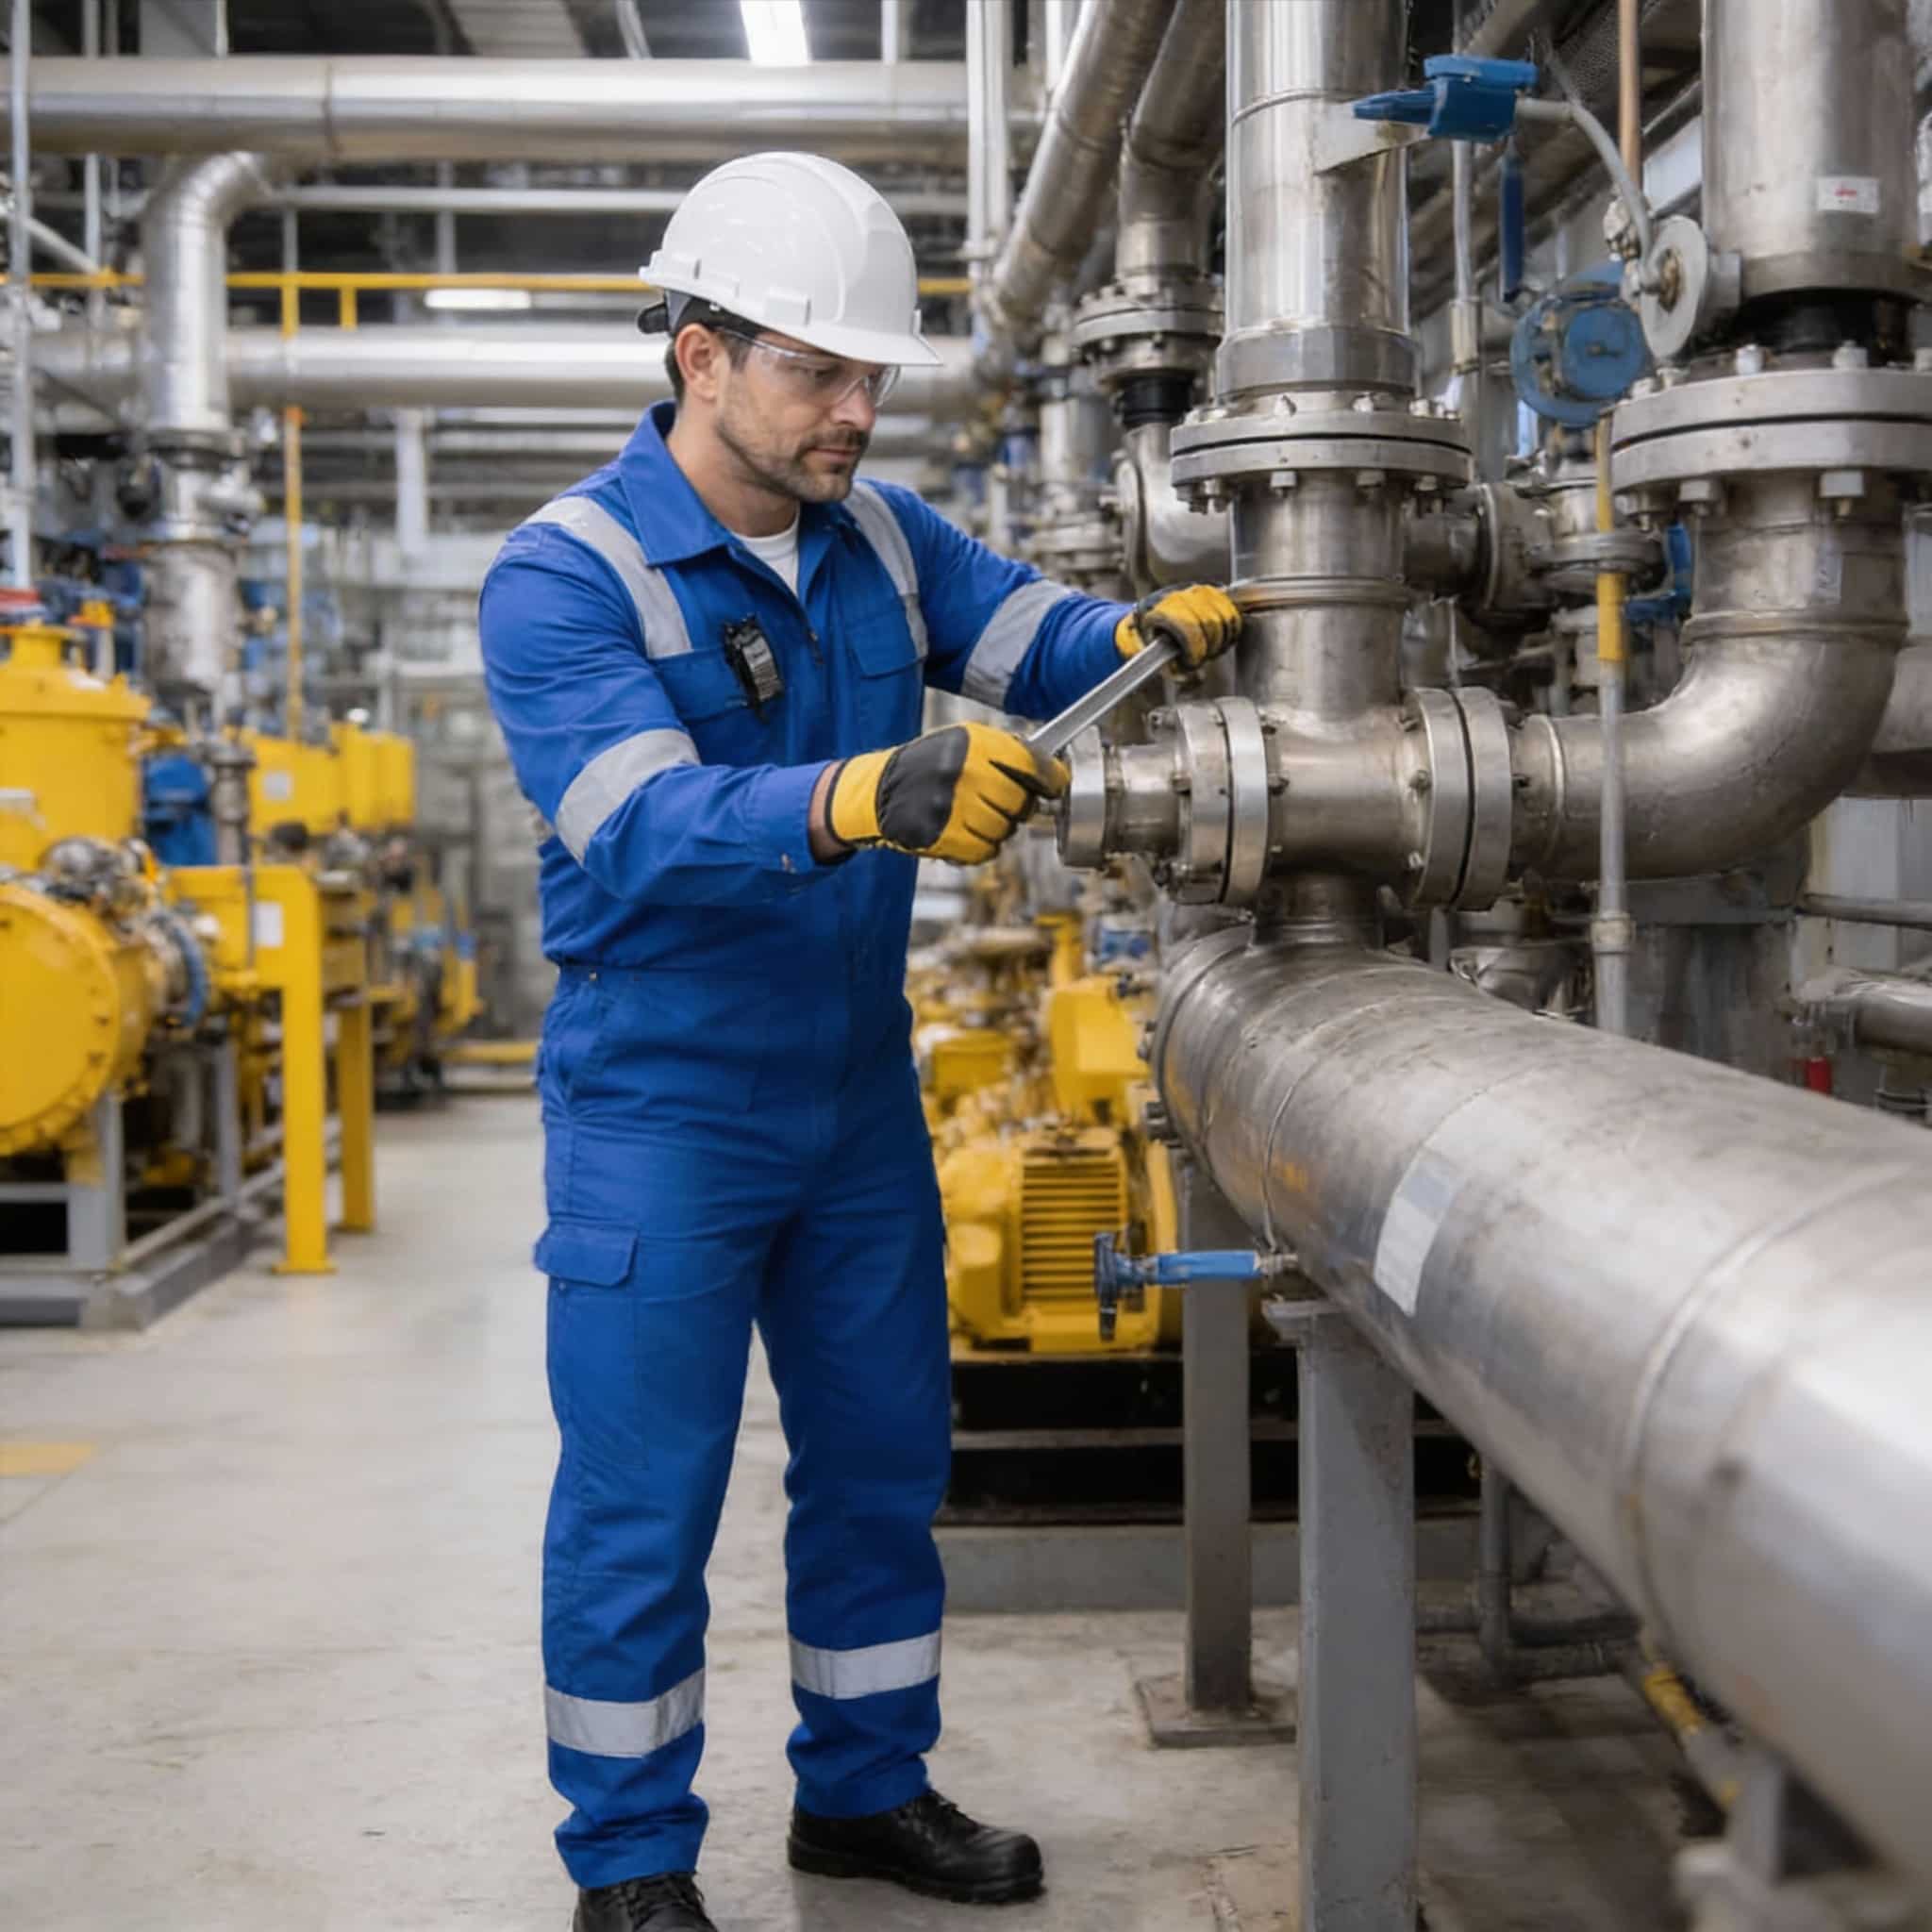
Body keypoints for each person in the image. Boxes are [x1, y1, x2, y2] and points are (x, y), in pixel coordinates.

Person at [479, 151, 1240, 1932]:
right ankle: (633, 1863)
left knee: (886, 1460)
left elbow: (1025, 632)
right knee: (643, 1496)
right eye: (820, 371)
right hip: (659, 1100)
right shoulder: (564, 577)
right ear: (701, 356)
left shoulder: (882, 536)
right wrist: (862, 791)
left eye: (871, 375)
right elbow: (637, 825)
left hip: (853, 1091)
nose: (858, 408)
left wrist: (1132, 635)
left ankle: (867, 1791)